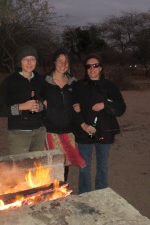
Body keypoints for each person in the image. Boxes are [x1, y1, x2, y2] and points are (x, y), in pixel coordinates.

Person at [74, 53, 126, 194]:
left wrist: (105, 105)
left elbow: (121, 107)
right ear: (86, 69)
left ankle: (101, 195)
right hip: (84, 132)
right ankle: (84, 195)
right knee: (84, 166)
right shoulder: (79, 85)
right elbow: (73, 108)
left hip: (104, 131)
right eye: (89, 66)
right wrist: (83, 125)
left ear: (101, 68)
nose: (92, 69)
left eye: (95, 65)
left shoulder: (109, 85)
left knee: (102, 166)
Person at [42, 48, 85, 182]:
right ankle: (50, 196)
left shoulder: (74, 83)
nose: (63, 64)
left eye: (66, 62)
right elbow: (34, 101)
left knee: (64, 168)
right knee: (51, 169)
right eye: (60, 61)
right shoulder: (44, 82)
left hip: (68, 132)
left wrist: (81, 106)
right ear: (54, 62)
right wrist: (40, 104)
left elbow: (81, 101)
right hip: (50, 132)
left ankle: (61, 195)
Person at [0, 46, 46, 154]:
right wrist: (21, 107)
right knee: (21, 169)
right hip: (19, 134)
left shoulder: (40, 80)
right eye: (25, 59)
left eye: (33, 59)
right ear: (20, 62)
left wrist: (40, 106)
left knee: (37, 168)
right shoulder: (9, 82)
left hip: (39, 132)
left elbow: (45, 103)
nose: (29, 62)